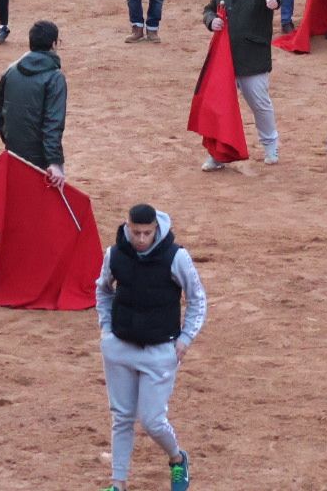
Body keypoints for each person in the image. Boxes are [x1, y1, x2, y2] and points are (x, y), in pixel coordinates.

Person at [95, 202, 202, 491]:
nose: (141, 239)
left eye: (147, 233)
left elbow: (197, 299)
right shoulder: (114, 254)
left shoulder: (176, 257)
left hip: (160, 350)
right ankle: (117, 484)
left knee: (153, 421)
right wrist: (106, 329)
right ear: (127, 227)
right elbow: (103, 290)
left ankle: (177, 458)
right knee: (122, 417)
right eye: (136, 232)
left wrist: (186, 339)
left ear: (156, 229)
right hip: (120, 346)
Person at [202, 0, 282, 168]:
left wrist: (274, 1)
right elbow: (208, 9)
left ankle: (270, 145)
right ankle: (219, 154)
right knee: (221, 106)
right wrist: (211, 21)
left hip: (252, 58)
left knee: (259, 103)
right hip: (224, 58)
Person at [0, 20, 67, 187]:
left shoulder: (11, 70)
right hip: (42, 160)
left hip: (13, 152)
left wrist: (10, 138)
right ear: (53, 44)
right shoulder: (55, 78)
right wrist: (54, 162)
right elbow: (53, 123)